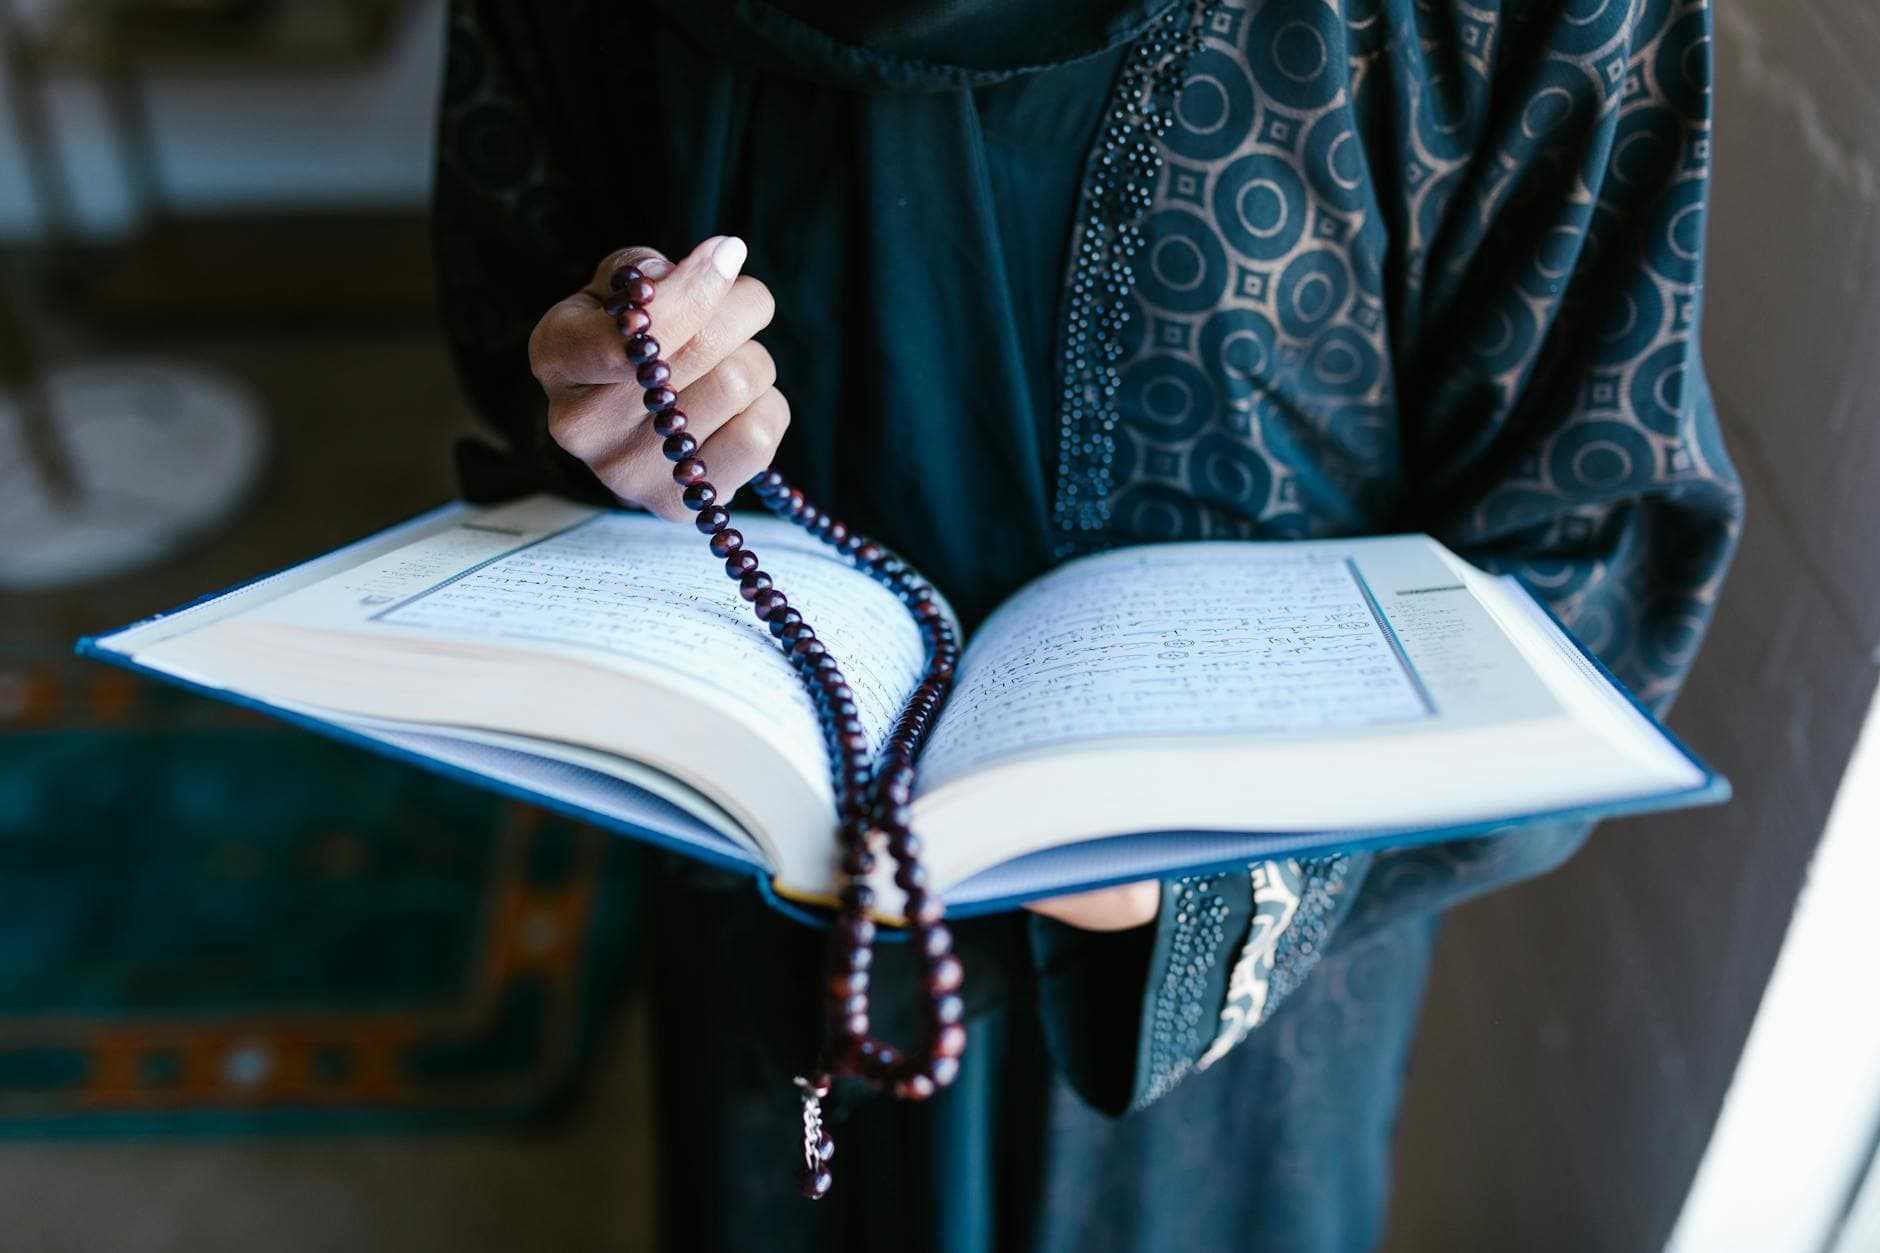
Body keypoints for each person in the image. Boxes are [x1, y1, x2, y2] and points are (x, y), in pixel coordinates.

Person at [431, 1, 1743, 1248]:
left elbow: (1593, 547)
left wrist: (1217, 876)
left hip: (1216, 1043)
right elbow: (518, 302)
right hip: (765, 888)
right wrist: (616, 397)